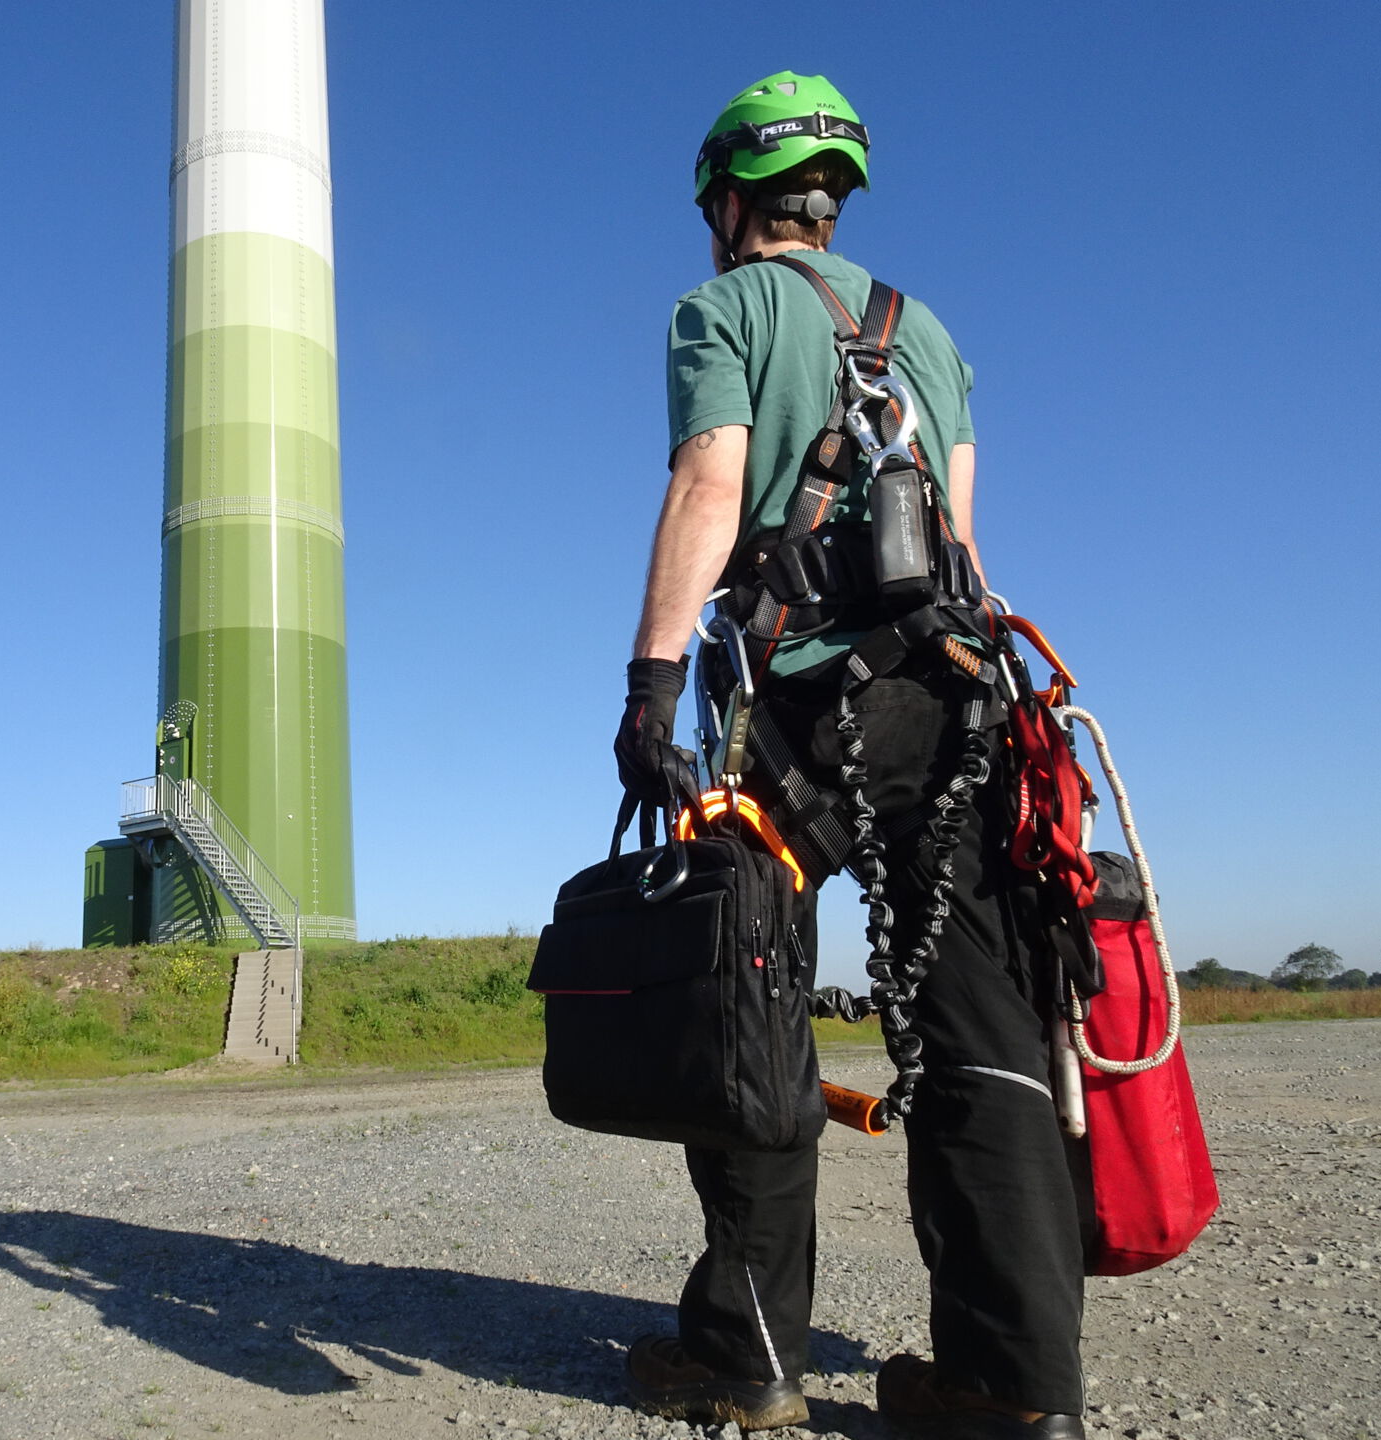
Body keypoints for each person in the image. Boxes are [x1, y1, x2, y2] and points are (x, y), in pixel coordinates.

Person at [612, 73, 1087, 1439]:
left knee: (744, 1007)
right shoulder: (929, 334)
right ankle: (1014, 1392)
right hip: (962, 701)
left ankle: (747, 1359)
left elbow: (712, 477)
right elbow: (969, 544)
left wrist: (653, 682)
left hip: (801, 710)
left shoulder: (721, 309)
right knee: (982, 1030)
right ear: (831, 200)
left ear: (728, 202)